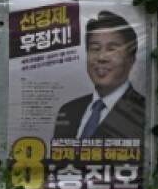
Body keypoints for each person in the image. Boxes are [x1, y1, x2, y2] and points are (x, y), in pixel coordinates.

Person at [52, 10, 145, 141]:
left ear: (131, 59)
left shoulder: (143, 111)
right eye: (95, 48)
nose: (101, 57)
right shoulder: (69, 110)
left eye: (112, 49)